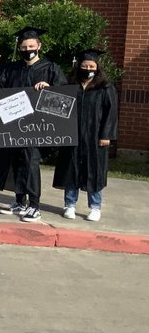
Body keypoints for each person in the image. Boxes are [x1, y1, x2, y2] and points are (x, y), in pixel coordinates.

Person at [0, 27, 66, 223]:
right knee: (16, 163)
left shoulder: (51, 68)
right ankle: (20, 201)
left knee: (30, 163)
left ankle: (34, 206)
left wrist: (49, 88)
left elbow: (63, 98)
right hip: (14, 125)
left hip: (38, 127)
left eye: (31, 46)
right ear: (19, 48)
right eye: (23, 46)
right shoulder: (12, 68)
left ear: (39, 46)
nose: (27, 49)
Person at [53, 51, 117, 222]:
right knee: (71, 169)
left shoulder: (105, 88)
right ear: (78, 67)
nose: (88, 69)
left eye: (91, 66)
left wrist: (106, 135)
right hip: (72, 134)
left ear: (97, 68)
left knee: (94, 171)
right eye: (84, 66)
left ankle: (95, 207)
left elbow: (110, 113)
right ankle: (70, 205)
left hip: (95, 137)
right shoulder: (70, 86)